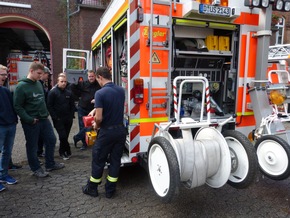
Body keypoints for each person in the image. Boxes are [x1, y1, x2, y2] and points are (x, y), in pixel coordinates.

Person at [13, 62, 65, 178]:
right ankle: (36, 168)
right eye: (39, 73)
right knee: (32, 145)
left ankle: (50, 164)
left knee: (51, 139)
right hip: (31, 122)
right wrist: (29, 119)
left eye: (42, 74)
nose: (41, 76)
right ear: (31, 71)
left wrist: (46, 113)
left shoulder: (38, 84)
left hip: (43, 119)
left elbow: (42, 101)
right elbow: (17, 106)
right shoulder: (21, 87)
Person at [82, 67, 126, 198]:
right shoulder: (120, 90)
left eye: (97, 79)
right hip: (120, 131)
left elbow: (99, 118)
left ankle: (92, 188)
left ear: (100, 77)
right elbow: (113, 102)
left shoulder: (100, 93)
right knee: (115, 160)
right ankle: (110, 190)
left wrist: (96, 125)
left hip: (107, 132)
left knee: (98, 159)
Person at [71, 70, 101, 150]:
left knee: (92, 126)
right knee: (83, 126)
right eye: (89, 76)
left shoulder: (98, 85)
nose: (91, 78)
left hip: (93, 109)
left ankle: (77, 137)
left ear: (95, 76)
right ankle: (84, 144)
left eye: (92, 76)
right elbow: (73, 89)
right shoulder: (83, 84)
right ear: (87, 77)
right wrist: (75, 85)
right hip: (82, 108)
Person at [47, 73, 75, 160]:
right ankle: (64, 151)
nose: (63, 83)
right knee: (62, 136)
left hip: (68, 119)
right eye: (62, 81)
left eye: (65, 82)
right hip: (58, 119)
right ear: (58, 82)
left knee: (65, 136)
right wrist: (55, 117)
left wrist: (71, 116)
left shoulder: (69, 93)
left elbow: (72, 106)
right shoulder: (53, 92)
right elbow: (49, 106)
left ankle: (63, 150)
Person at [0, 64, 18, 191]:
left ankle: (4, 175)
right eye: (2, 74)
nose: (5, 77)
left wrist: (14, 120)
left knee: (7, 151)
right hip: (1, 127)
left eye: (6, 74)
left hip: (10, 125)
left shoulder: (5, 91)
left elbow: (12, 107)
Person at [37, 66, 51, 158]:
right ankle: (38, 152)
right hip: (39, 116)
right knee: (41, 136)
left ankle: (39, 152)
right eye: (47, 75)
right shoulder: (38, 84)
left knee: (42, 136)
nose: (48, 77)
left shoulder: (41, 84)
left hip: (43, 114)